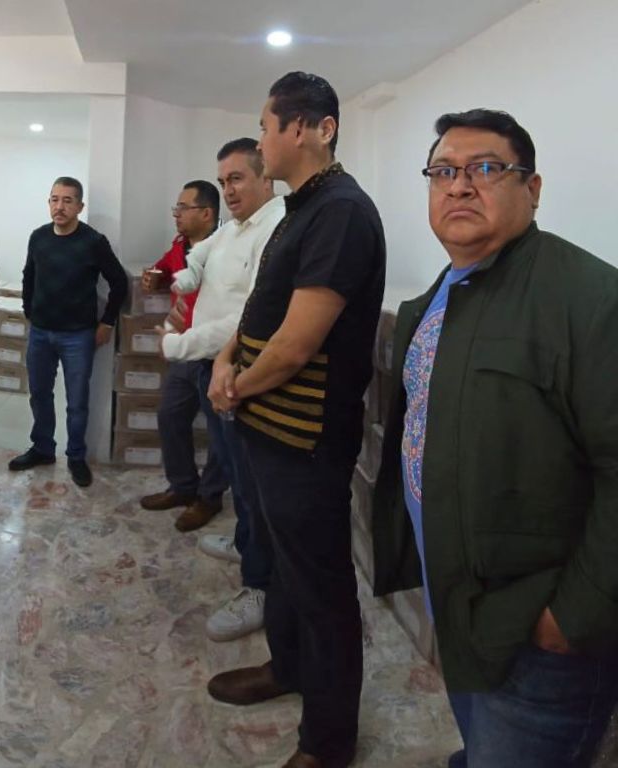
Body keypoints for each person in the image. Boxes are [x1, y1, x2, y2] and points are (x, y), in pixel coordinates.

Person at [372, 109, 618, 768]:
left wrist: (571, 618)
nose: (458, 185)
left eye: (485, 168)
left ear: (532, 189)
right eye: (442, 172)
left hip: (537, 636)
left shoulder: (591, 300)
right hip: (461, 607)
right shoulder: (435, 301)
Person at [206, 73, 386, 768]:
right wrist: (227, 357)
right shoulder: (300, 209)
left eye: (266, 126)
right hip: (266, 425)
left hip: (305, 436)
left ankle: (328, 743)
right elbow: (263, 308)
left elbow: (298, 343)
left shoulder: (342, 211)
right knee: (282, 564)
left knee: (321, 588)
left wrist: (235, 388)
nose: (260, 141)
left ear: (315, 128)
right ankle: (288, 667)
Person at [163, 141, 283, 643]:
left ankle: (260, 587)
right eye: (223, 181)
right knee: (235, 471)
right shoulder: (232, 229)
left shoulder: (275, 228)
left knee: (252, 484)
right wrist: (179, 281)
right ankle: (245, 544)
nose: (228, 190)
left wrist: (180, 344)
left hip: (242, 374)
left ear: (265, 178)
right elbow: (196, 264)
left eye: (237, 179)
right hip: (214, 367)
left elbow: (249, 316)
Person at [9, 176, 128, 487]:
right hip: (40, 333)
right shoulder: (38, 237)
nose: (59, 207)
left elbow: (119, 283)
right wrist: (30, 312)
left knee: (76, 401)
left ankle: (76, 456)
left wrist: (107, 322)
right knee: (39, 394)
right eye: (54, 199)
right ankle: (42, 448)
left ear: (80, 206)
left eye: (67, 200)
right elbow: (28, 277)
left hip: (78, 336)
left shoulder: (93, 242)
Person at [138, 180, 228, 530]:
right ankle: (183, 486)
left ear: (206, 213)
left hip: (217, 354)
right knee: (170, 417)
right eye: (175, 208)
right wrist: (155, 279)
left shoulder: (228, 248)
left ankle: (209, 498)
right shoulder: (179, 246)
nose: (176, 214)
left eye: (183, 208)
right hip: (185, 350)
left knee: (220, 434)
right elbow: (164, 269)